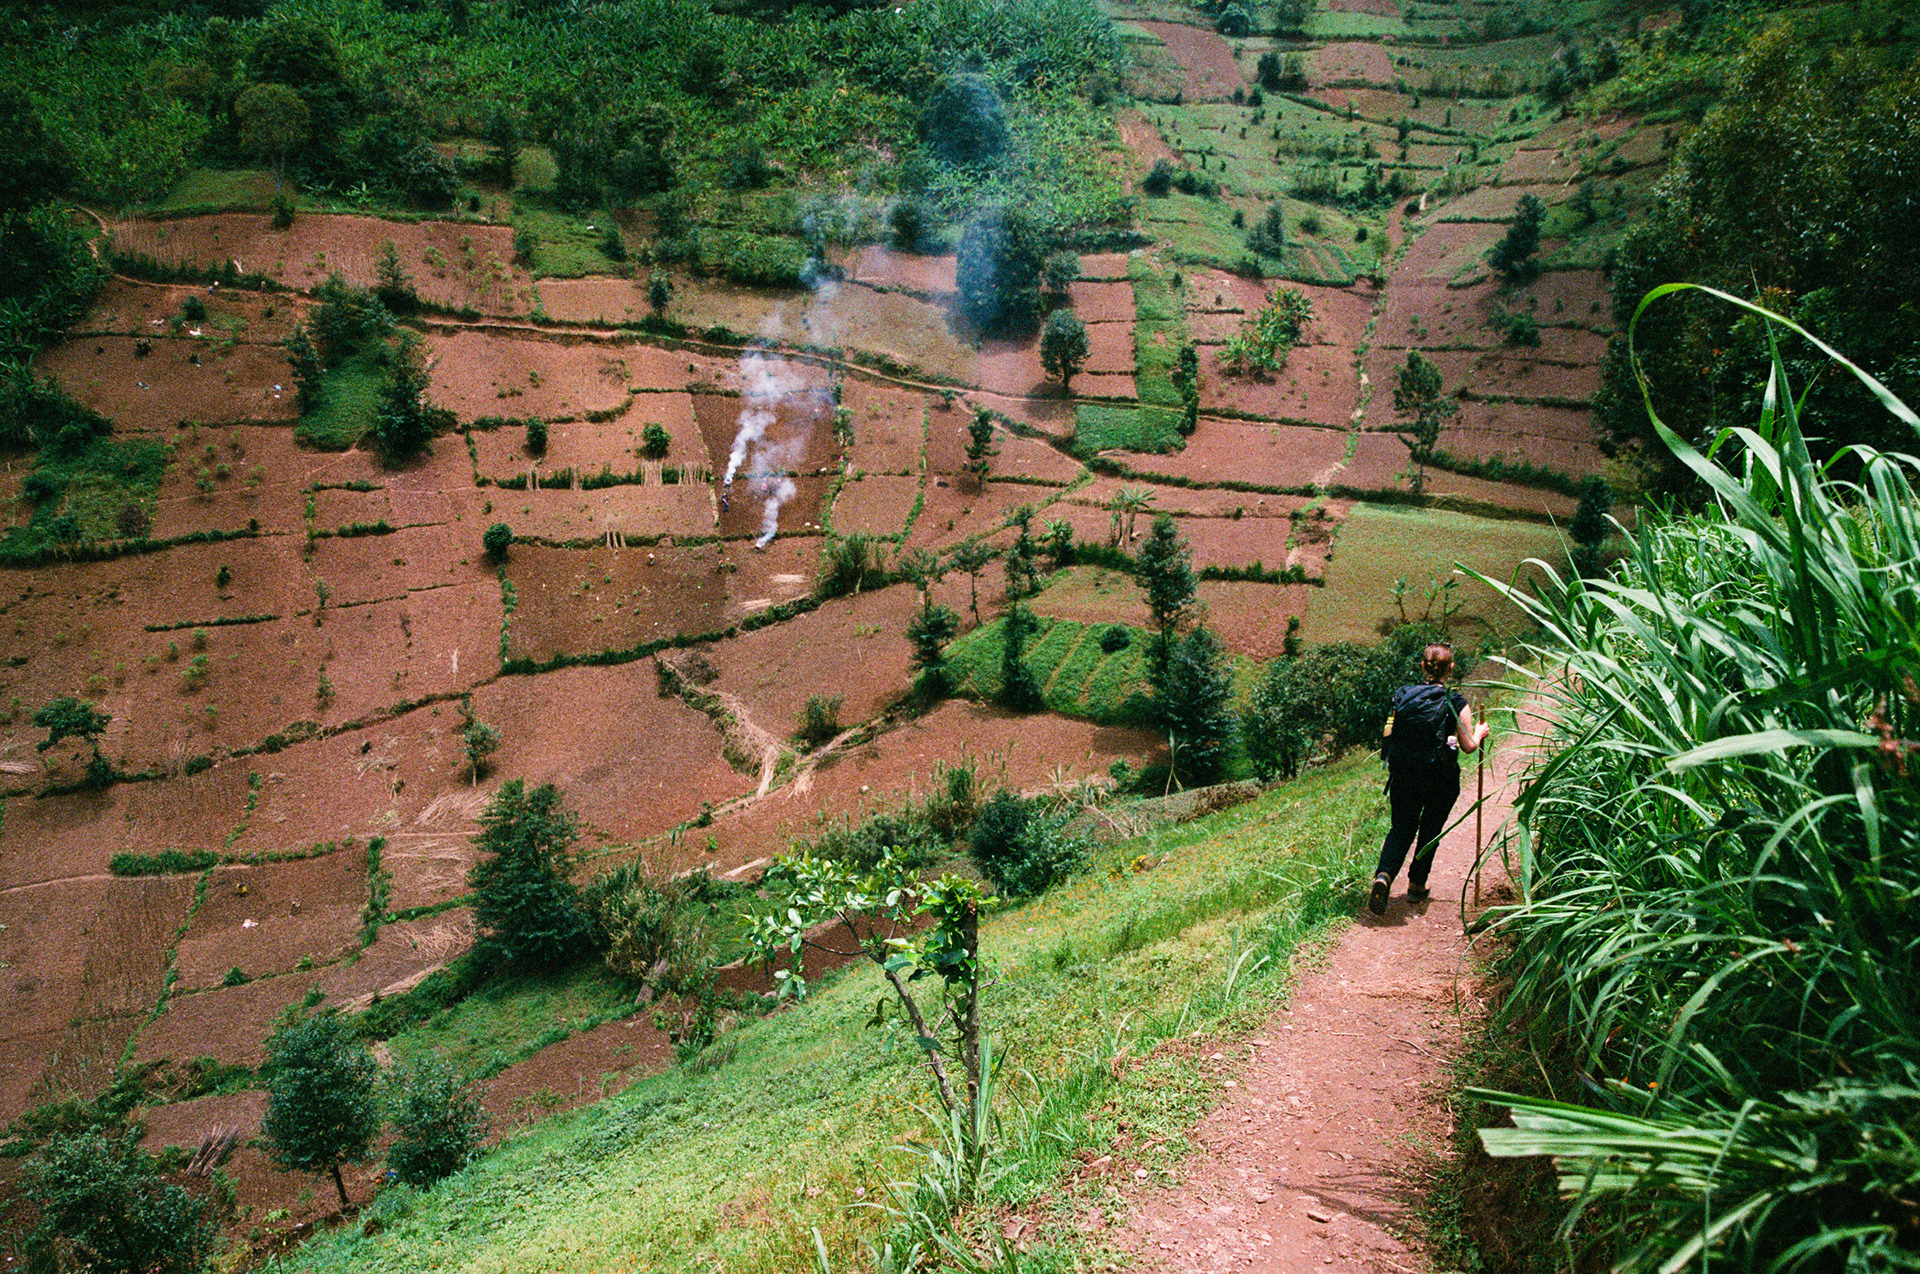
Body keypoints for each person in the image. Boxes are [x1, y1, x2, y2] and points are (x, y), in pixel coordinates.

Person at [1370, 641, 1488, 915]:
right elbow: (1468, 746)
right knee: (1430, 829)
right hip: (1440, 778)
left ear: (1423, 666)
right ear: (1451, 668)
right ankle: (1416, 884)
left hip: (1404, 775)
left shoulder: (1403, 695)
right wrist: (1480, 732)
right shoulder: (1455, 701)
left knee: (1401, 828)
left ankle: (1384, 875)